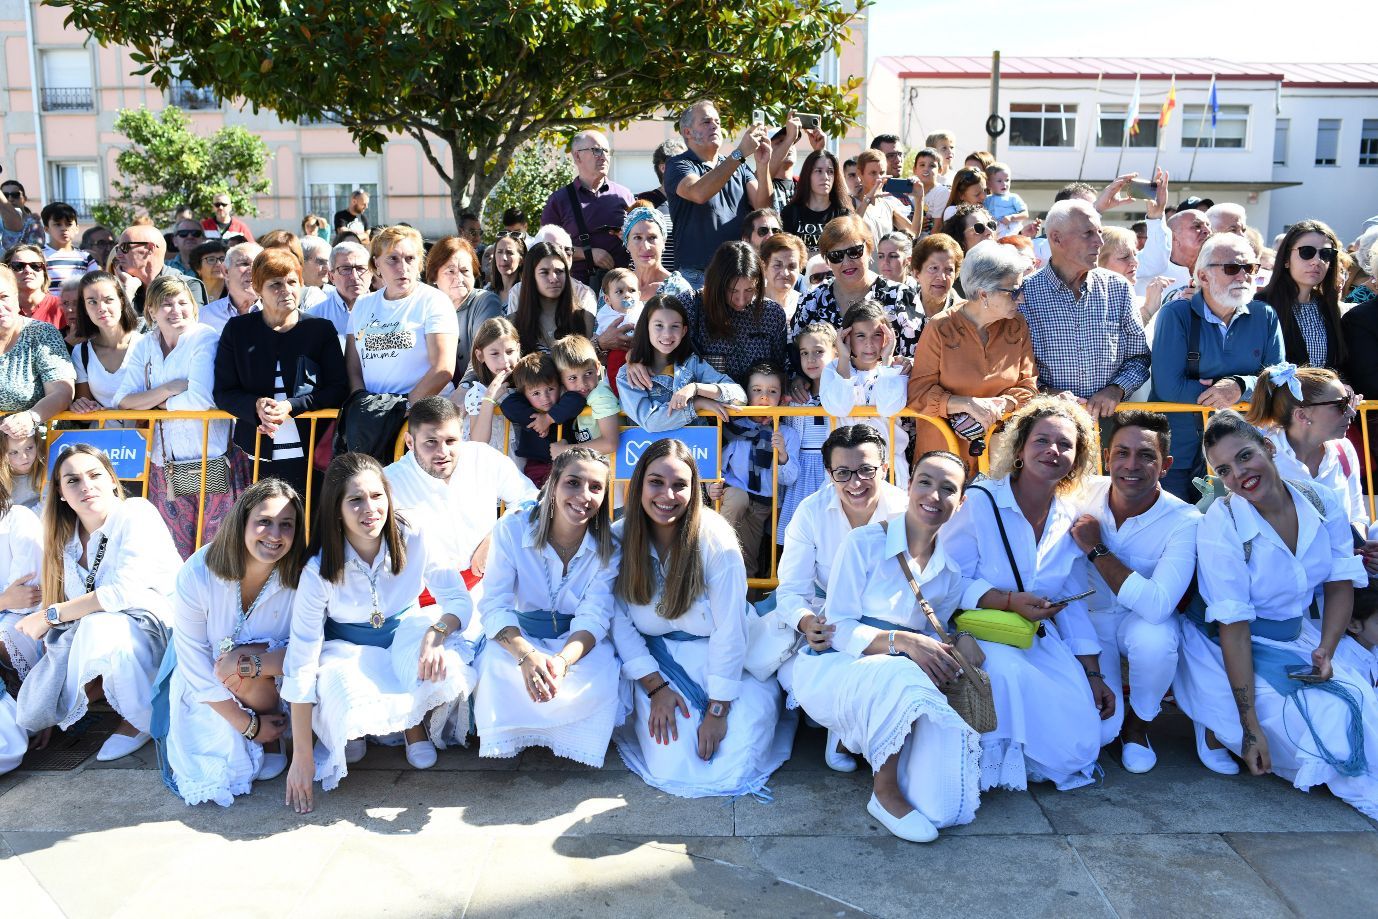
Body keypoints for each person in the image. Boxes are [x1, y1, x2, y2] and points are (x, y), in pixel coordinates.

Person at [1174, 411, 1378, 819]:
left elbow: (1340, 582)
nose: (1239, 474)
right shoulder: (1224, 520)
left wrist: (1327, 649)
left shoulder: (1321, 501)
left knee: (1361, 700)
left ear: (1269, 448)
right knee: (1332, 717)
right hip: (1226, 644)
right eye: (1224, 470)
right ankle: (1217, 719)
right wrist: (1250, 729)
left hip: (1297, 635)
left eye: (1246, 456)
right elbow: (1233, 627)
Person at [792, 449, 983, 841]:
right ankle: (884, 793)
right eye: (926, 482)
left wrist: (960, 639)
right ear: (909, 484)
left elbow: (936, 629)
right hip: (835, 663)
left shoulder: (950, 572)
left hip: (895, 669)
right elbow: (838, 629)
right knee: (900, 669)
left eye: (948, 489)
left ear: (960, 503)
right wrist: (901, 642)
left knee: (944, 805)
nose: (934, 495)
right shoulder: (862, 543)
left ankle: (856, 736)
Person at [282, 453, 477, 812]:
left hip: (408, 632)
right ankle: (356, 730)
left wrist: (436, 633)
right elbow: (303, 653)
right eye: (355, 500)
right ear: (336, 509)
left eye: (377, 496)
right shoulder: (318, 567)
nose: (369, 509)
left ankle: (412, 726)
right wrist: (303, 755)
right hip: (347, 647)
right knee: (343, 696)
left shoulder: (414, 533)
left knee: (440, 662)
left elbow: (457, 599)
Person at [943, 397, 1111, 792]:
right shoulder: (982, 502)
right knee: (1008, 674)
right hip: (979, 633)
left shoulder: (1070, 518)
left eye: (1065, 445)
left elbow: (1071, 603)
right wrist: (1006, 600)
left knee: (1083, 745)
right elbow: (946, 582)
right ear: (1020, 448)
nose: (1053, 451)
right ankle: (988, 765)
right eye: (1042, 440)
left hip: (1035, 637)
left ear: (1078, 457)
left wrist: (1093, 673)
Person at [611, 438, 793, 798]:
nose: (668, 495)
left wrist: (718, 709)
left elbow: (730, 629)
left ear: (694, 489)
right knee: (671, 760)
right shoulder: (619, 538)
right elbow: (619, 622)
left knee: (736, 758)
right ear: (638, 485)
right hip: (656, 666)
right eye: (656, 482)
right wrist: (656, 688)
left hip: (727, 660)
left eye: (680, 485)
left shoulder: (716, 539)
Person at [13, 444, 181, 762]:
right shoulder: (65, 539)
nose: (86, 486)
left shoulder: (136, 513)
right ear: (61, 493)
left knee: (100, 625)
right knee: (87, 629)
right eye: (73, 480)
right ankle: (104, 703)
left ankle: (141, 717)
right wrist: (60, 701)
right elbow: (65, 629)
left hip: (166, 633)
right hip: (116, 639)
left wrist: (50, 615)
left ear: (112, 481)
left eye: (94, 475)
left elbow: (123, 593)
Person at [472, 448, 622, 765]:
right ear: (553, 483)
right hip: (519, 636)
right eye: (573, 483)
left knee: (602, 670)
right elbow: (495, 604)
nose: (584, 496)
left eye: (596, 487)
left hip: (573, 643)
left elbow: (594, 616)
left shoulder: (610, 548)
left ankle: (566, 738)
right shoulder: (511, 529)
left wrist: (562, 661)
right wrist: (527, 656)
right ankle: (523, 733)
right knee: (498, 668)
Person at [1070, 411, 1200, 773]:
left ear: (1165, 465)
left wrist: (1097, 550)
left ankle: (1139, 727)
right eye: (1122, 453)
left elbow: (1158, 606)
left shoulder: (1185, 520)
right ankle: (1113, 723)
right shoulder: (1081, 493)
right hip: (1087, 624)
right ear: (1107, 457)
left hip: (1138, 622)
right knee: (1095, 737)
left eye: (1145, 455)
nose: (1131, 465)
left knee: (1156, 639)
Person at [163, 480, 306, 806]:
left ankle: (277, 735)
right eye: (264, 521)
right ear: (242, 521)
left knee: (242, 661)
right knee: (216, 765)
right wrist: (246, 724)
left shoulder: (302, 576)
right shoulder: (198, 572)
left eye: (287, 525)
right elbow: (192, 658)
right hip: (209, 681)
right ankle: (260, 732)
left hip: (281, 676)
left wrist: (250, 663)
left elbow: (310, 647)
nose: (275, 534)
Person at [772, 424, 907, 709]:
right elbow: (791, 590)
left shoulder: (906, 512)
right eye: (842, 473)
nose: (855, 483)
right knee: (794, 677)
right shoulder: (811, 512)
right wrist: (808, 623)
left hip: (886, 628)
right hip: (827, 623)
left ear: (884, 468)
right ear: (829, 475)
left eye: (866, 471)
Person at [115, 274, 245, 557]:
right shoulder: (144, 344)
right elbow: (123, 400)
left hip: (210, 458)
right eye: (166, 304)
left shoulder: (204, 337)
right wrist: (169, 389)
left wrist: (154, 403)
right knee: (171, 553)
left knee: (217, 551)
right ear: (150, 310)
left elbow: (200, 399)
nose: (176, 310)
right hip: (164, 464)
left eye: (182, 302)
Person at [1150, 233, 1284, 501]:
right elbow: (1168, 386)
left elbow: (1279, 378)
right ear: (1202, 277)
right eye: (1232, 268)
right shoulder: (1176, 314)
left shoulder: (1264, 315)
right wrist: (1231, 395)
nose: (1243, 276)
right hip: (1178, 452)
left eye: (1250, 268)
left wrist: (1240, 386)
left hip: (1241, 456)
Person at [213, 248, 348, 494]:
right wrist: (255, 407)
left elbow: (338, 389)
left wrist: (291, 406)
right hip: (253, 453)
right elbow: (223, 391)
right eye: (275, 284)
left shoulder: (320, 330)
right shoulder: (237, 330)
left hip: (312, 454)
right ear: (257, 289)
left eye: (292, 282)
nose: (286, 290)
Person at [908, 240, 1039, 476]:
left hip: (1000, 459)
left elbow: (1028, 386)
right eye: (1014, 291)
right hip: (944, 460)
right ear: (983, 293)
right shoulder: (940, 327)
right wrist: (966, 404)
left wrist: (1002, 404)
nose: (1021, 298)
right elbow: (917, 393)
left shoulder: (1017, 325)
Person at [384, 396, 536, 597]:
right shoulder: (388, 483)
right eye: (431, 442)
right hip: (421, 597)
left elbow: (531, 498)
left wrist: (497, 536)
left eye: (451, 441)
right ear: (410, 442)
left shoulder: (482, 457)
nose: (443, 452)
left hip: (487, 584)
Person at [1020, 200, 1149, 420]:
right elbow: (1013, 370)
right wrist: (1049, 395)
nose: (1099, 241)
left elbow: (1139, 357)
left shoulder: (1118, 288)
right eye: (1088, 233)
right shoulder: (1024, 294)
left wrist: (1116, 389)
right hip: (1047, 423)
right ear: (1056, 238)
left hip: (1110, 422)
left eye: (1099, 232)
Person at [1246, 363, 1370, 539]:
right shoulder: (1261, 460)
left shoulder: (1344, 449)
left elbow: (1357, 517)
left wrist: (1361, 548)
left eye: (1348, 402)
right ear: (1302, 415)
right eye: (1340, 404)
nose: (1351, 412)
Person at [789, 215, 924, 367]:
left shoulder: (901, 296)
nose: (846, 262)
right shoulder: (811, 302)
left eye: (854, 251)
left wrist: (908, 363)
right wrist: (798, 380)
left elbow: (921, 357)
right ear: (827, 260)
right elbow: (795, 358)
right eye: (836, 256)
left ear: (869, 249)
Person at [664, 100, 773, 283]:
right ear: (687, 132)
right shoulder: (678, 164)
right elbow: (698, 192)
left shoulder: (738, 166)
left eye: (717, 122)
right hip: (696, 275)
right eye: (706, 122)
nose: (714, 126)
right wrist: (739, 154)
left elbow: (763, 207)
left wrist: (763, 165)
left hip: (737, 272)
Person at [346, 225, 458, 402]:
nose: (403, 267)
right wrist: (363, 404)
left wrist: (403, 408)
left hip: (422, 415)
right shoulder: (361, 305)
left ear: (420, 263)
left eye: (410, 259)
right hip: (373, 414)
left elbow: (443, 369)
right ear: (376, 264)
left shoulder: (435, 301)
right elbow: (353, 368)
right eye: (393, 259)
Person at [616, 294, 743, 432]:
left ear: (684, 331)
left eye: (674, 326)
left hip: (695, 451)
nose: (667, 334)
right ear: (646, 328)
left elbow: (739, 396)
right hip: (649, 451)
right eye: (659, 325)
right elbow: (651, 422)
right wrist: (697, 403)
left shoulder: (692, 364)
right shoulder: (627, 375)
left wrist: (696, 388)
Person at [720, 362, 800, 578]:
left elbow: (790, 478)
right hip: (733, 495)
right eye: (757, 391)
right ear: (746, 393)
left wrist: (782, 455)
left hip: (763, 504)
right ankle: (713, 547)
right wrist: (713, 485)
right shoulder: (733, 426)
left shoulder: (787, 433)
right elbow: (719, 465)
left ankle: (748, 604)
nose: (764, 397)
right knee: (736, 502)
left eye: (772, 391)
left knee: (748, 558)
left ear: (782, 398)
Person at [542, 130, 634, 285]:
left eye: (607, 151)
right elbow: (545, 246)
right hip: (576, 288)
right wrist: (587, 253)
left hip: (621, 288)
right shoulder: (559, 200)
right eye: (597, 150)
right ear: (577, 156)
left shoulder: (624, 195)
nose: (604, 156)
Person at [775, 322, 838, 542]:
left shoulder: (844, 394)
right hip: (801, 473)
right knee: (798, 536)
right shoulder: (796, 398)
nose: (810, 359)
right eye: (804, 353)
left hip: (830, 470)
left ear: (836, 352)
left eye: (819, 352)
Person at [0, 265, 74, 443]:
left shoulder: (41, 333)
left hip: (40, 448)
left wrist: (31, 417)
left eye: (3, 297)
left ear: (17, 297)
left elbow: (63, 391)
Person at [1259, 220, 1345, 371]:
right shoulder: (1260, 306)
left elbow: (1338, 365)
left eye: (1326, 254)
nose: (1316, 261)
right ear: (1286, 259)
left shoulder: (1328, 306)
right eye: (1306, 252)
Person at [0, 474, 41, 775]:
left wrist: (6, 602)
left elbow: (27, 597)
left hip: (22, 625)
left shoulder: (18, 520)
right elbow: (9, 597)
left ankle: (28, 716)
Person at [69, 271, 143, 428]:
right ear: (85, 308)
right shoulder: (81, 352)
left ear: (122, 301)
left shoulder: (147, 344)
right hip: (102, 443)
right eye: (92, 302)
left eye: (108, 300)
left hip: (147, 441)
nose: (101, 308)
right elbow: (85, 415)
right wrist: (81, 407)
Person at [424, 236, 503, 382]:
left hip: (476, 392)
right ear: (434, 276)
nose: (459, 278)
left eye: (465, 270)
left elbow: (482, 353)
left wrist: (463, 388)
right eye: (450, 271)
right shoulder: (425, 306)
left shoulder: (485, 301)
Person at [509, 240, 597, 356]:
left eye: (559, 271)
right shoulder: (513, 322)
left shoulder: (584, 318)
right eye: (544, 272)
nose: (553, 278)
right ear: (531, 276)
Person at [454, 317, 522, 458]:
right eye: (494, 354)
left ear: (518, 349)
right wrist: (489, 399)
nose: (504, 360)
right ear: (480, 355)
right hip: (489, 467)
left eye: (509, 352)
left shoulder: (526, 386)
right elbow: (478, 442)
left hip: (520, 465)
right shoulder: (477, 392)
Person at [117, 223, 208, 316]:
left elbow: (191, 326)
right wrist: (128, 291)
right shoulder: (123, 287)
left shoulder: (187, 286)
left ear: (150, 248)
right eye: (117, 249)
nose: (118, 255)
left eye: (125, 247)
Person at [781, 149, 853, 255]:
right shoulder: (790, 212)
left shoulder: (843, 214)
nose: (825, 177)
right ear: (807, 175)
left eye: (830, 172)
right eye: (818, 171)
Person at [621, 203, 693, 303]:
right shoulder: (615, 286)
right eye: (637, 238)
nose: (646, 247)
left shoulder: (679, 290)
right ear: (627, 243)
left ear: (664, 242)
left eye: (652, 238)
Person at [310, 240, 372, 341]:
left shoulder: (388, 310)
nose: (355, 276)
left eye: (360, 268)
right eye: (346, 269)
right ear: (331, 276)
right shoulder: (316, 317)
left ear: (371, 273)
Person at [851, 150, 913, 249]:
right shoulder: (850, 202)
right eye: (873, 173)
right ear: (860, 174)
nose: (879, 178)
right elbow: (850, 232)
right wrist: (867, 200)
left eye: (882, 173)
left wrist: (919, 198)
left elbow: (913, 232)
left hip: (885, 263)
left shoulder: (888, 204)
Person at [200, 242, 262, 334]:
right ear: (225, 271)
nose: (253, 270)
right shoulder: (205, 316)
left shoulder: (279, 313)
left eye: (259, 264)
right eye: (244, 263)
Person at [3, 245, 67, 329]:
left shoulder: (63, 307)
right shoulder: (3, 309)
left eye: (35, 266)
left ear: (44, 272)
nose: (28, 270)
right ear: (7, 272)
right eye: (18, 266)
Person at [40, 203, 98, 293]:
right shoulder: (38, 256)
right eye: (58, 224)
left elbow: (94, 288)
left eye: (69, 224)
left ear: (77, 228)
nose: (64, 228)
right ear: (46, 229)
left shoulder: (86, 258)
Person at [910, 233, 963, 318]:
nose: (942, 277)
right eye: (934, 268)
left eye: (949, 270)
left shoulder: (966, 316)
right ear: (916, 274)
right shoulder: (900, 308)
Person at [760, 232, 806, 321]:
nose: (785, 273)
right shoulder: (750, 303)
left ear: (800, 269)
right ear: (764, 266)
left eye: (792, 266)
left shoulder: (806, 305)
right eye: (777, 265)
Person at [910, 148, 951, 234]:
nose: (926, 169)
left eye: (932, 166)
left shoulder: (942, 192)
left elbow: (937, 227)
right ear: (914, 170)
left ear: (940, 170)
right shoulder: (910, 192)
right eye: (922, 165)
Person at [984, 162, 1029, 236]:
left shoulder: (1013, 197)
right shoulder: (986, 200)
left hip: (1012, 231)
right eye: (999, 181)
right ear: (989, 184)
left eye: (1007, 180)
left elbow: (1025, 214)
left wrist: (1011, 217)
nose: (1004, 184)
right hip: (994, 233)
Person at [486, 230, 525, 307]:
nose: (504, 258)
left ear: (521, 260)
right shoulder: (487, 292)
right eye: (500, 252)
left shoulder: (527, 292)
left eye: (509, 253)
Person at [0, 179, 42, 250]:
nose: (10, 199)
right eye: (5, 195)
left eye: (15, 195)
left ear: (24, 199)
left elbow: (36, 249)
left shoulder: (33, 223)